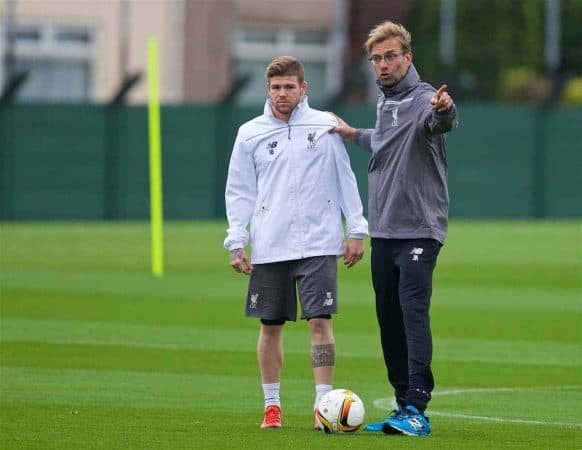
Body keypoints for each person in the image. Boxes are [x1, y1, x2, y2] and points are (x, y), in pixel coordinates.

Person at [224, 56, 368, 430]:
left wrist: (356, 228)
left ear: (304, 88)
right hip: (270, 243)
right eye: (275, 87)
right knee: (270, 326)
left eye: (290, 87)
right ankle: (272, 405)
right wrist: (236, 241)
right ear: (267, 89)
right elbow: (239, 191)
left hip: (319, 242)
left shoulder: (325, 125)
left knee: (320, 322)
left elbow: (345, 178)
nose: (282, 94)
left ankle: (323, 405)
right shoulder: (249, 133)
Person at [332, 20, 458, 436]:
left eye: (390, 57)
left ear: (408, 57)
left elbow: (440, 121)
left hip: (419, 229)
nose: (383, 65)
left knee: (412, 313)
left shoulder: (425, 100)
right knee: (388, 318)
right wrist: (354, 135)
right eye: (376, 59)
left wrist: (445, 110)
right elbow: (385, 141)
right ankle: (403, 403)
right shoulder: (386, 104)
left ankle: (418, 408)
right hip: (384, 231)